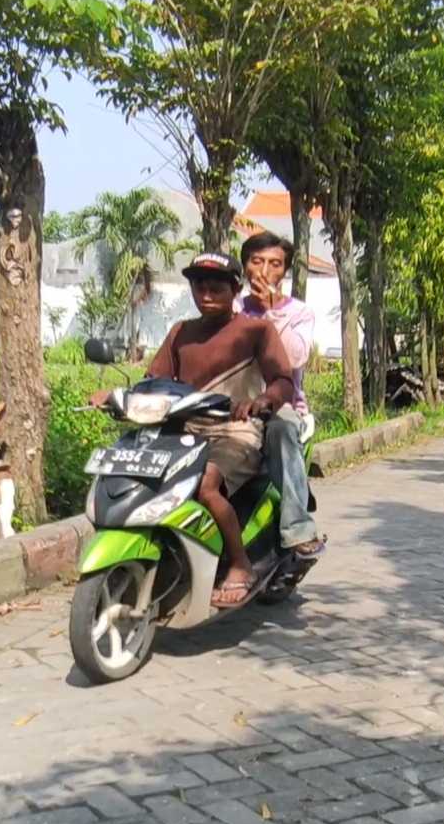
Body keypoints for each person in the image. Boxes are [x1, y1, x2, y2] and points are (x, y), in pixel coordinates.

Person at [91, 252, 297, 608]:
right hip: (181, 430)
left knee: (205, 486)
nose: (206, 294)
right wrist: (114, 395)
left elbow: (283, 381)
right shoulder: (180, 332)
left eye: (216, 287)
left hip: (235, 430)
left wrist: (263, 400)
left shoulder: (257, 331)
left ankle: (240, 565)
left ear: (235, 290)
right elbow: (153, 382)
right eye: (199, 287)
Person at [237, 232, 325, 559]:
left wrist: (270, 312)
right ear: (245, 267)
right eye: (257, 261)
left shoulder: (299, 313)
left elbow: (295, 357)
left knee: (282, 430)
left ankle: (298, 528)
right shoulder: (232, 308)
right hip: (232, 402)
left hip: (281, 405)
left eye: (274, 264)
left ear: (284, 272)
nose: (264, 270)